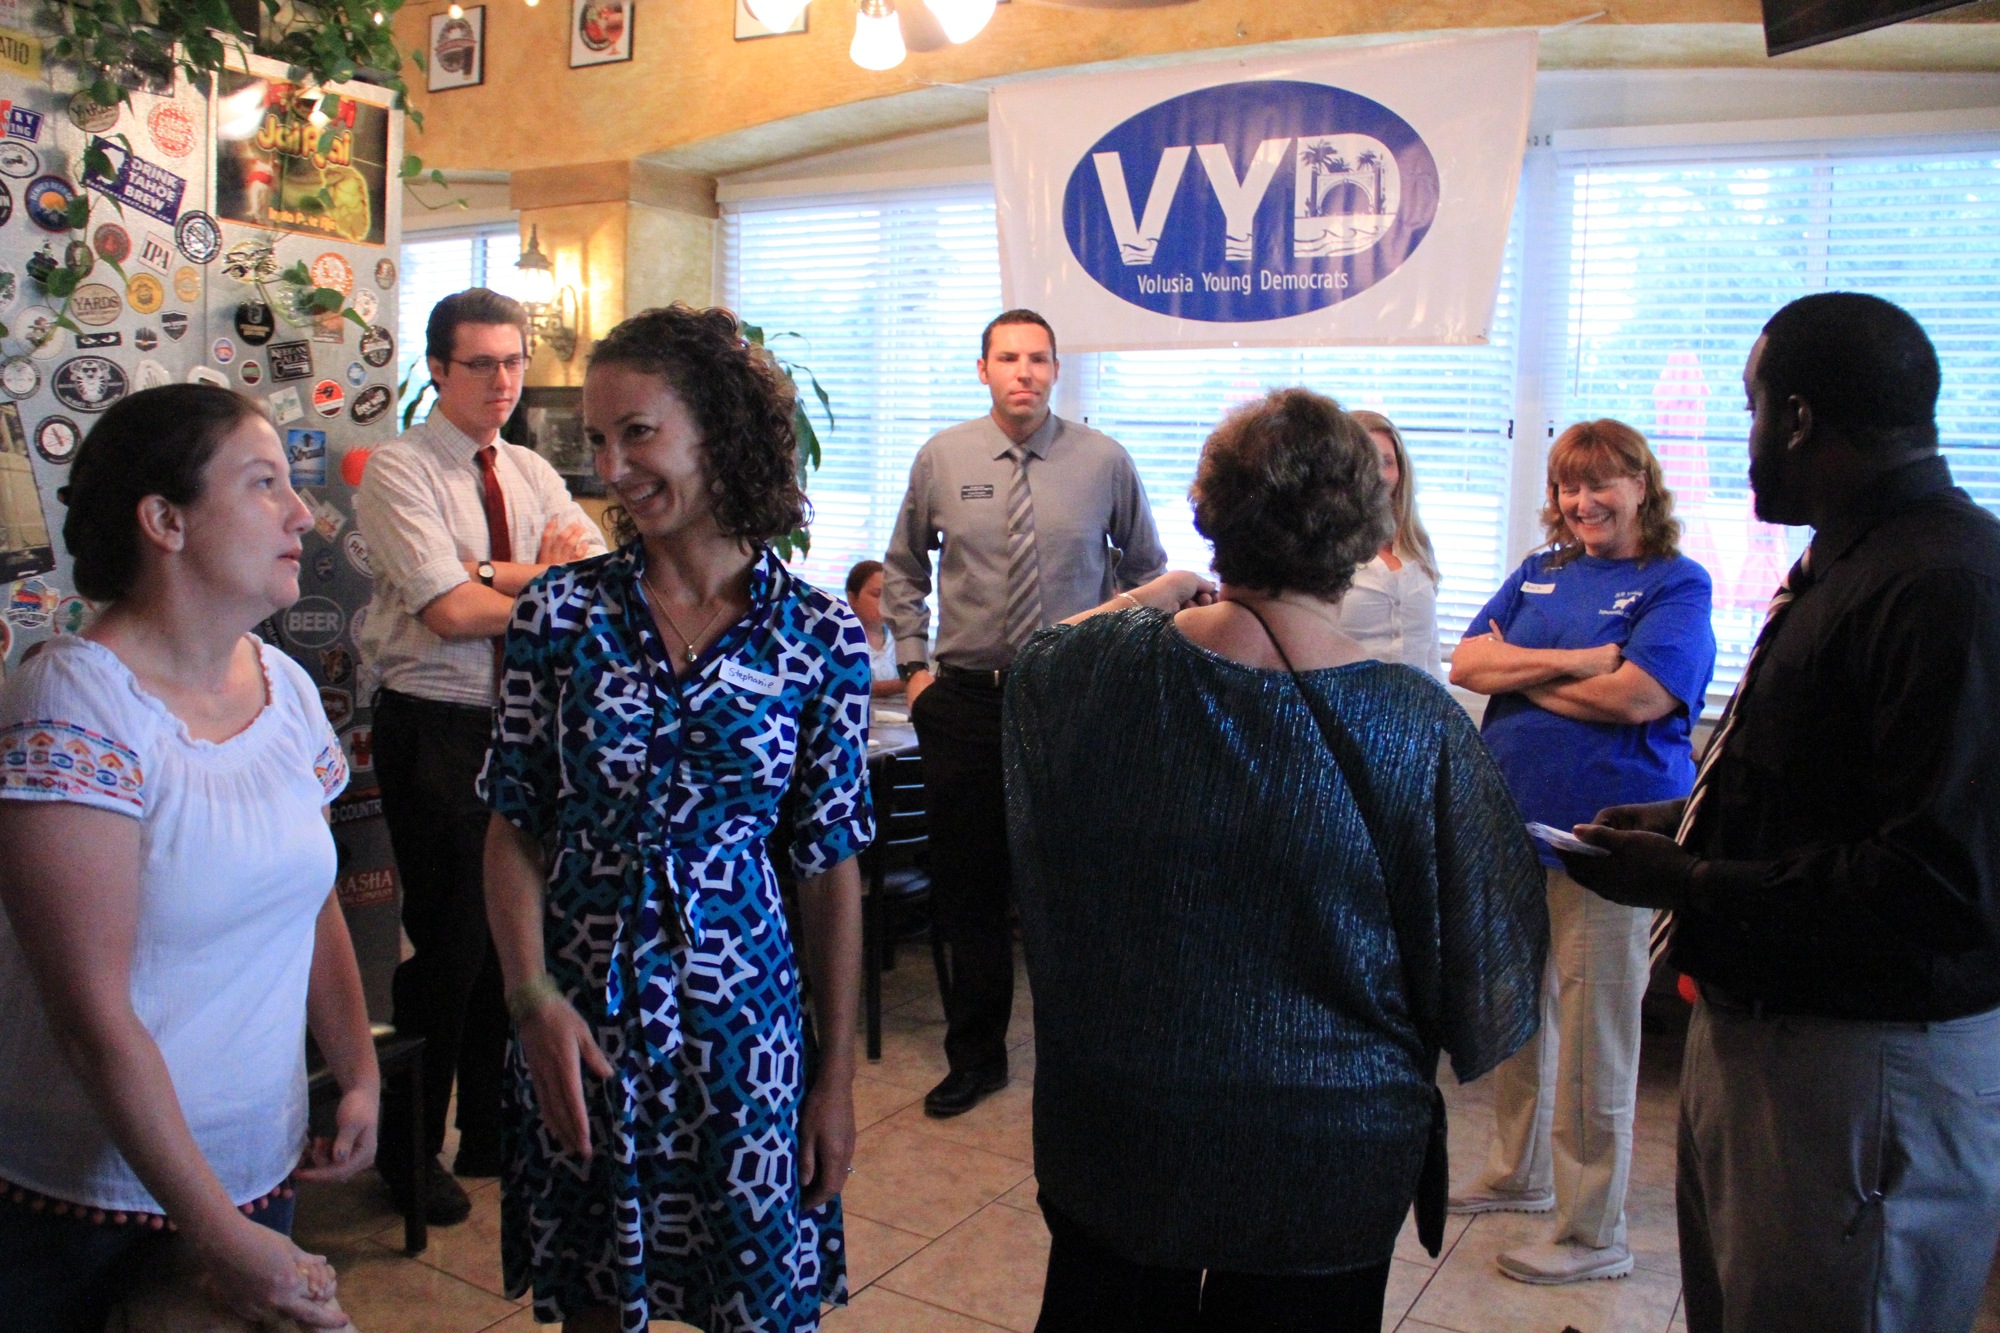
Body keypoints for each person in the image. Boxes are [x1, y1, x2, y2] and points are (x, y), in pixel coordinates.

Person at [1006, 387, 1547, 1332]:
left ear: (1209, 510)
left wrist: (1151, 594)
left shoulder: (1097, 673)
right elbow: (1487, 975)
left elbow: (1034, 660)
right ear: (1365, 527)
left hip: (1126, 1122)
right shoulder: (1415, 727)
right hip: (1329, 1146)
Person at [1560, 293, 2000, 1333]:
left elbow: (1935, 876)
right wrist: (1686, 821)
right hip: (1766, 1036)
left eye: (1752, 408)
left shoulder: (1939, 580)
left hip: (1860, 1062)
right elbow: (1825, 785)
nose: (1742, 440)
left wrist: (1688, 881)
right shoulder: (1851, 555)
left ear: (1798, 419)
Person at [479, 304, 870, 1333]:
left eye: (636, 432)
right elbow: (514, 824)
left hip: (744, 1030)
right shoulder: (558, 615)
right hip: (583, 1022)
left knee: (752, 1303)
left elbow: (828, 865)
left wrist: (832, 1079)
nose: (610, 465)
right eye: (597, 440)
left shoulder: (818, 633)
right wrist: (530, 1000)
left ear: (718, 428)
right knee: (603, 1301)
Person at [0, 385, 379, 1330]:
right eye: (262, 485)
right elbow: (91, 1018)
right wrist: (216, 1233)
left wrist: (356, 1067)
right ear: (165, 520)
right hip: (91, 1192)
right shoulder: (76, 703)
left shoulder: (283, 684)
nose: (301, 511)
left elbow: (313, 900)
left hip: (257, 1161)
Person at [353, 287, 605, 1224]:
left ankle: (495, 1134)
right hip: (439, 720)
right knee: (451, 945)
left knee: (519, 932)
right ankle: (407, 1154)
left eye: (513, 362)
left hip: (531, 717)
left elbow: (595, 583)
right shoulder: (400, 471)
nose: (504, 381)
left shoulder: (535, 470)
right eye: (481, 365)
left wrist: (496, 572)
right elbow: (449, 614)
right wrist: (516, 585)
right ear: (437, 369)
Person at [1447, 418, 1715, 1285]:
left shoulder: (1677, 582)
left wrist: (1526, 670)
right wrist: (1578, 661)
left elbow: (1638, 695)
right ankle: (1518, 1174)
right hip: (1510, 825)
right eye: (1569, 485)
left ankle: (1594, 1230)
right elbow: (1466, 663)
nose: (1582, 501)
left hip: (1604, 843)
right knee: (1519, 1020)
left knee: (1596, 1035)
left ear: (1643, 483)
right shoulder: (1541, 569)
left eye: (1602, 482)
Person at [882, 308, 1167, 1118]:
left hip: (1070, 703)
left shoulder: (1104, 462)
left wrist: (1117, 673)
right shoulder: (944, 458)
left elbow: (1150, 576)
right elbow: (902, 570)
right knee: (968, 891)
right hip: (965, 701)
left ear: (1056, 369)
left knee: (1070, 890)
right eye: (1008, 357)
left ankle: (1083, 1064)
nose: (1025, 372)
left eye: (1040, 358)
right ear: (983, 369)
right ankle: (975, 1059)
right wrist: (913, 669)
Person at [1335, 410, 1444, 678]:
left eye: (1387, 462)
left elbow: (1430, 654)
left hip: (1419, 709)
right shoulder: (1328, 551)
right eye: (1368, 464)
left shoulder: (1416, 545)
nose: (1381, 476)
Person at [844, 558, 904, 698]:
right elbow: (851, 686)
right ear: (852, 598)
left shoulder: (900, 637)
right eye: (877, 595)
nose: (885, 602)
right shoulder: (840, 638)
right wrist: (906, 683)